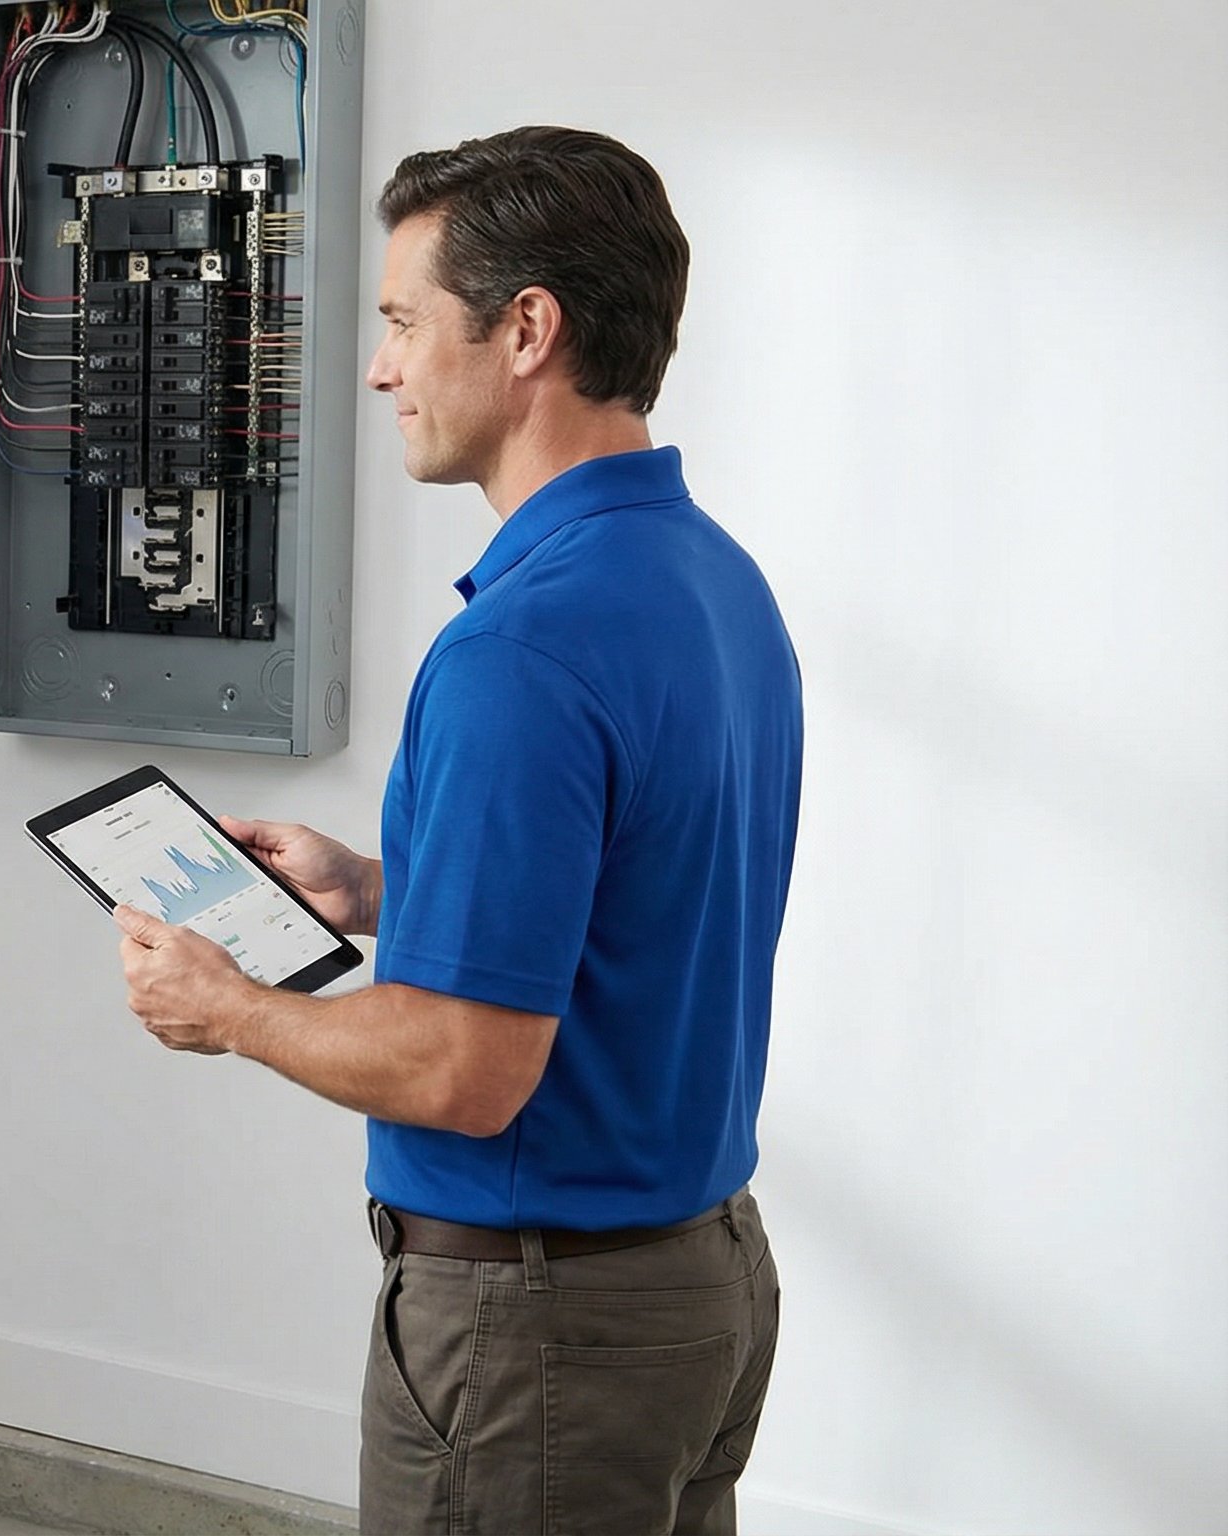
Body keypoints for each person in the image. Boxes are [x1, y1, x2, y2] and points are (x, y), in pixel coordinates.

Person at [109, 126, 802, 1536]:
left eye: (403, 323)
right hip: (702, 1288)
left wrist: (229, 1006)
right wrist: (377, 887)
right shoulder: (712, 582)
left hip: (542, 1335)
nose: (381, 370)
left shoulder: (521, 650)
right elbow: (640, 893)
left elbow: (466, 1069)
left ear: (527, 329)